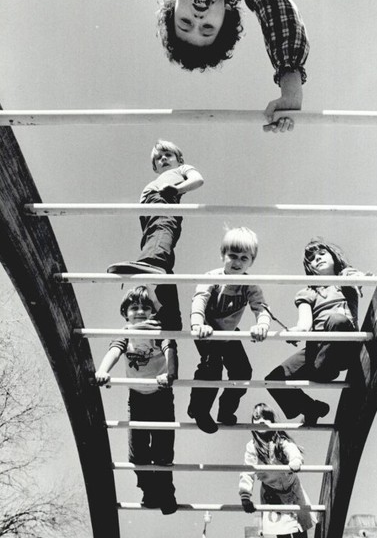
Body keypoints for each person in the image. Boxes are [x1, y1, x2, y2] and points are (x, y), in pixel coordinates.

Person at [87, 0, 310, 132]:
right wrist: (291, 88)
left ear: (174, 4)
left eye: (185, 23)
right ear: (225, 18)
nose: (197, 17)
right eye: (207, 27)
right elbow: (279, 14)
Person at [95, 285, 178, 513]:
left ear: (153, 312)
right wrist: (103, 370)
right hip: (138, 399)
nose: (140, 311)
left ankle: (166, 491)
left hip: (161, 396)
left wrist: (170, 373)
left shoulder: (157, 330)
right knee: (137, 453)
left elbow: (170, 350)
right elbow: (114, 350)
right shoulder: (126, 333)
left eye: (145, 307)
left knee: (162, 450)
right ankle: (149, 490)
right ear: (125, 313)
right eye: (134, 307)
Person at [265, 238, 366, 426]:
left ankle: (324, 367)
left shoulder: (343, 278)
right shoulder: (308, 293)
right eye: (312, 258)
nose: (317, 259)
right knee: (273, 379)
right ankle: (311, 407)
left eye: (322, 254)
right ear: (309, 267)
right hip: (317, 348)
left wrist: (358, 281)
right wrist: (297, 332)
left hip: (343, 343)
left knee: (337, 320)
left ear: (334, 256)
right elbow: (304, 323)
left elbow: (355, 277)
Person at [108, 139, 204, 331]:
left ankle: (151, 263)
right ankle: (170, 315)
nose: (163, 159)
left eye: (168, 155)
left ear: (179, 160)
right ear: (155, 167)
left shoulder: (181, 170)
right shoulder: (157, 179)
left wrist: (177, 189)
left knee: (161, 233)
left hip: (164, 201)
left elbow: (198, 179)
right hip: (149, 214)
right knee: (157, 244)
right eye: (158, 159)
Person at [187, 227, 271, 434]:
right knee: (211, 367)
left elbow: (262, 308)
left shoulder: (249, 285)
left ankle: (226, 409)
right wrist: (198, 323)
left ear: (251, 262)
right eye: (232, 256)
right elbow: (199, 300)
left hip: (231, 332)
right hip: (208, 329)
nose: (237, 262)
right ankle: (199, 409)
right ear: (222, 255)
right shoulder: (213, 278)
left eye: (244, 258)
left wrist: (262, 325)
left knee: (243, 372)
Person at [239, 402, 317, 538]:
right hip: (272, 492)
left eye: (266, 417)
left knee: (300, 527)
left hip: (292, 489)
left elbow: (291, 449)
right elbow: (248, 471)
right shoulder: (252, 447)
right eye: (256, 418)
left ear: (273, 422)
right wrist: (245, 495)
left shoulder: (280, 441)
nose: (261, 421)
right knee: (282, 530)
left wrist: (295, 460)